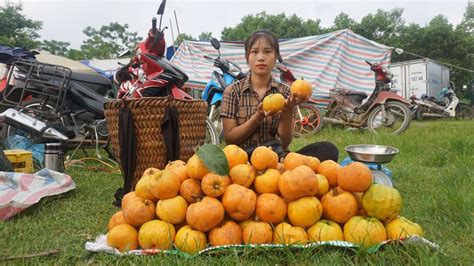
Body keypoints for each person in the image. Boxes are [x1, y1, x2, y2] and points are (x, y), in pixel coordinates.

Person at [220, 29, 339, 162]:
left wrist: (288, 109)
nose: (261, 57)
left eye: (267, 51)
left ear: (276, 56)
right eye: (254, 52)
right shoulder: (233, 91)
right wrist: (258, 117)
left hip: (276, 159)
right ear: (247, 57)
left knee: (328, 149)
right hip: (242, 161)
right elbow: (230, 139)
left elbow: (285, 142)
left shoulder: (285, 92)